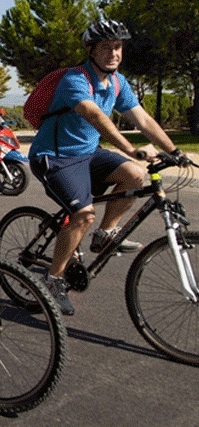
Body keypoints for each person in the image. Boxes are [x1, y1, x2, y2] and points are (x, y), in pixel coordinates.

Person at [27, 19, 182, 316]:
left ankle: (106, 233)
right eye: (106, 47)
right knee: (83, 215)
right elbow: (95, 116)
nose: (113, 53)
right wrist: (130, 148)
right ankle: (54, 280)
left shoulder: (119, 82)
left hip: (88, 154)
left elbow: (145, 120)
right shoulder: (76, 79)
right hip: (55, 157)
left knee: (136, 175)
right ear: (92, 50)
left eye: (118, 47)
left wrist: (174, 151)